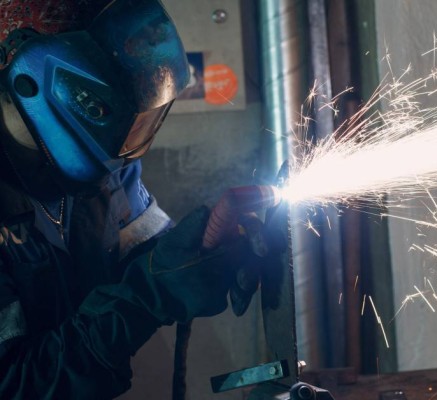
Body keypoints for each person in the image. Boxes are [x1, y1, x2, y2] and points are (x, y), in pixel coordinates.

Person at [0, 0, 263, 398]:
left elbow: (148, 249)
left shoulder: (100, 165)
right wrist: (147, 297)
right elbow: (18, 386)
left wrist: (209, 245)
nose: (127, 151)